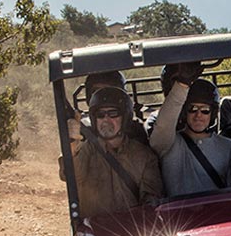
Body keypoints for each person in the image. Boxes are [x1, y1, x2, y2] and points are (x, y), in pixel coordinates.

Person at [67, 86, 163, 218]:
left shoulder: (144, 156)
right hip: (97, 230)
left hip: (135, 230)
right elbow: (70, 175)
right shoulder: (86, 150)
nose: (106, 120)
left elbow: (152, 199)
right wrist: (72, 144)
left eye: (113, 114)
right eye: (100, 115)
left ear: (125, 118)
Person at [149, 77, 231, 196]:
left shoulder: (228, 147)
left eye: (205, 110)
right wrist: (181, 86)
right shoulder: (168, 144)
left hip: (218, 212)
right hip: (179, 214)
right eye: (192, 109)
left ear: (213, 113)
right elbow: (163, 125)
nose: (198, 115)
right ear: (184, 111)